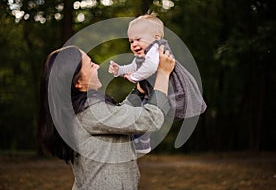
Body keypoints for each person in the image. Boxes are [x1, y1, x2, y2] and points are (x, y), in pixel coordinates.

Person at [38, 45, 175, 190]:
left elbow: (117, 116)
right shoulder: (91, 111)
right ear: (78, 83)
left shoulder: (81, 109)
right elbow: (151, 119)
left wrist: (138, 93)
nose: (97, 66)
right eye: (91, 65)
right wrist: (163, 74)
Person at [108, 14, 207, 154]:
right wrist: (119, 70)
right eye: (131, 41)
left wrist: (135, 78)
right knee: (142, 112)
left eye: (138, 39)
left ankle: (141, 139)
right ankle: (141, 139)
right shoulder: (143, 54)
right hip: (154, 89)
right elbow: (133, 66)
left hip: (171, 85)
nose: (134, 44)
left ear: (156, 38)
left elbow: (150, 67)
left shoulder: (156, 48)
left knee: (160, 107)